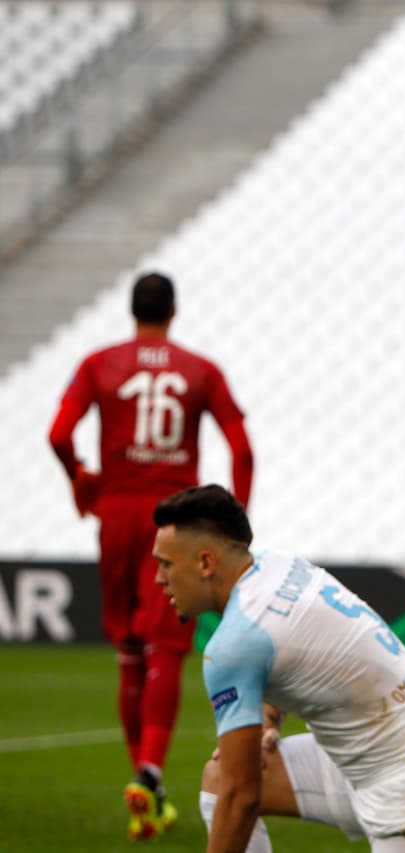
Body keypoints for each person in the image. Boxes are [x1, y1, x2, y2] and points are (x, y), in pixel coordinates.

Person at [151, 484, 405, 852]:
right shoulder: (277, 565)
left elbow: (242, 796)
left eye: (166, 564)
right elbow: (299, 648)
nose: (158, 578)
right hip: (368, 765)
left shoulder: (232, 645)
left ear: (204, 562)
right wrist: (268, 718)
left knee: (231, 788)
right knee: (219, 778)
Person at [47, 271, 254, 840]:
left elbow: (59, 434)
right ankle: (151, 770)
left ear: (132, 310)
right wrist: (236, 520)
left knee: (128, 649)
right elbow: (242, 447)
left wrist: (80, 481)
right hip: (173, 520)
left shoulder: (98, 363)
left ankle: (142, 779)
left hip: (116, 512)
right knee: (165, 643)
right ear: (174, 311)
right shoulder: (200, 369)